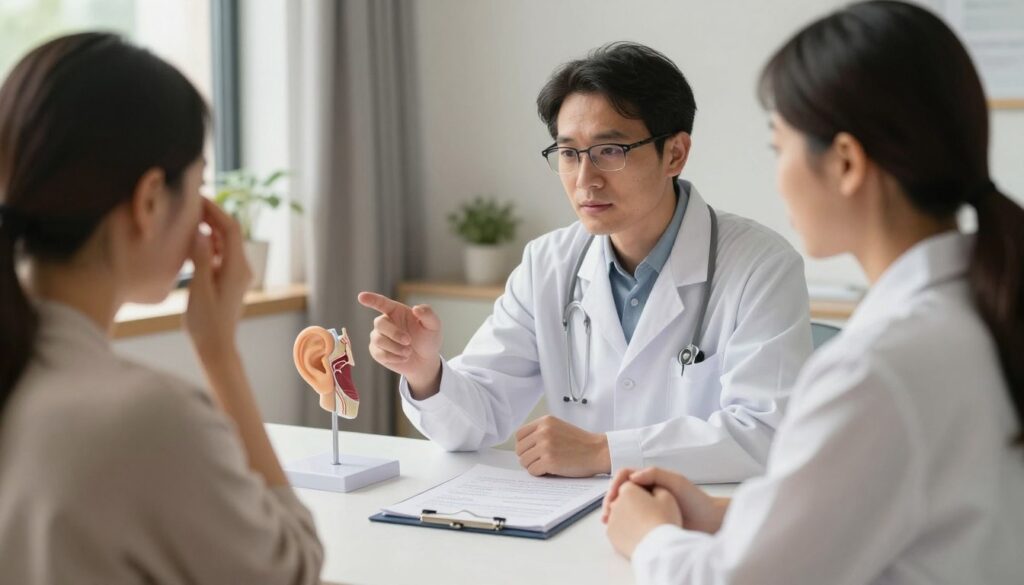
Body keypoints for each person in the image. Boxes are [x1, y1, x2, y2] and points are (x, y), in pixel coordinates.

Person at [602, 2, 1024, 583]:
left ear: (846, 162)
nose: (778, 175)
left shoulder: (876, 368)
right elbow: (886, 507)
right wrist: (726, 513)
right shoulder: (979, 312)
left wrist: (650, 538)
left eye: (780, 148)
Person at [360, 42, 813, 483]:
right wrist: (426, 372)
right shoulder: (548, 263)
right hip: (573, 523)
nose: (584, 179)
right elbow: (476, 421)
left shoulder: (761, 266)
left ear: (674, 154)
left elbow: (766, 434)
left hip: (697, 527)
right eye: (569, 153)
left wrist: (603, 452)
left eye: (609, 151)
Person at [0, 33, 323, 583]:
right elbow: (293, 566)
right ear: (149, 201)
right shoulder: (146, 419)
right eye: (199, 183)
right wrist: (220, 353)